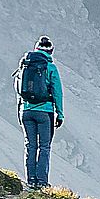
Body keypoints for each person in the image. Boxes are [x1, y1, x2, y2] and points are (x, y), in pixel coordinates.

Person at [14, 36, 64, 189]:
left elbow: (18, 89)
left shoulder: (25, 65)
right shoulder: (50, 67)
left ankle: (31, 180)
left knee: (30, 145)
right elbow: (57, 92)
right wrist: (59, 114)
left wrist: (20, 110)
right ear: (51, 51)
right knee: (44, 146)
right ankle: (41, 182)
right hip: (44, 112)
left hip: (26, 111)